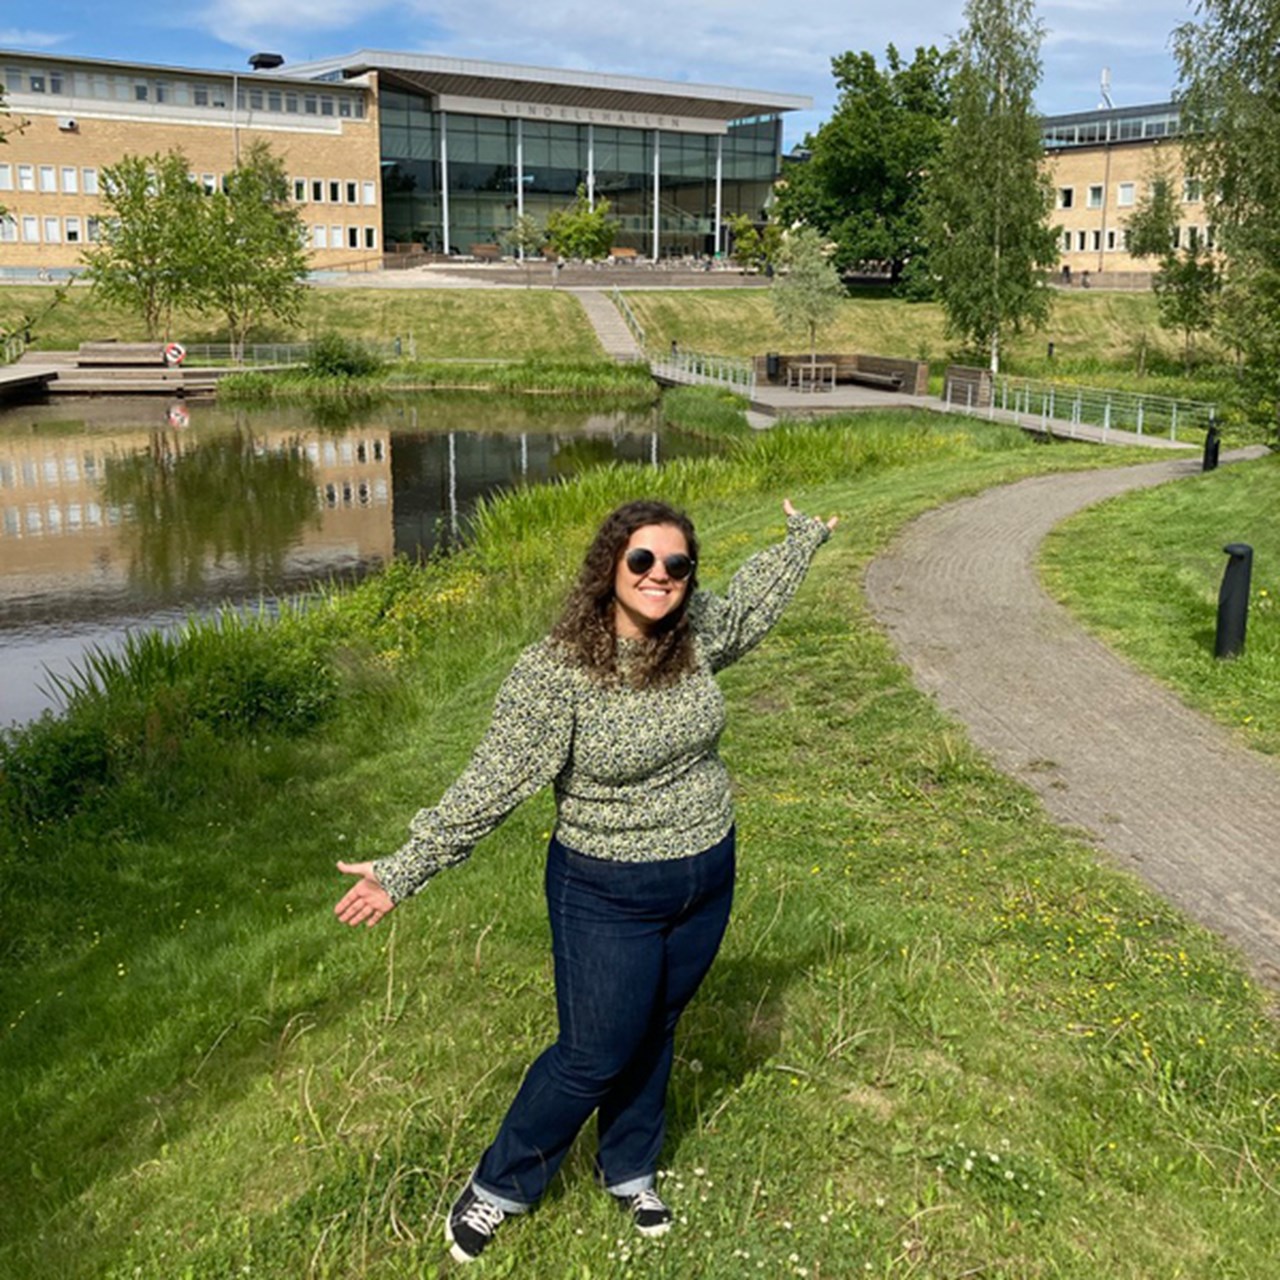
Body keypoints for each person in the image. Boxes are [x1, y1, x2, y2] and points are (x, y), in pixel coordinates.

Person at [334, 496, 837, 1263]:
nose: (661, 575)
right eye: (643, 559)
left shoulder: (693, 636)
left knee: (657, 1026)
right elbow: (493, 782)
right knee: (593, 1053)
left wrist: (801, 541)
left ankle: (628, 1168)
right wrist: (405, 869)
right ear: (610, 566)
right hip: (606, 890)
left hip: (706, 873)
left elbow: (752, 605)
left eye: (678, 564)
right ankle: (500, 1185)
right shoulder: (558, 671)